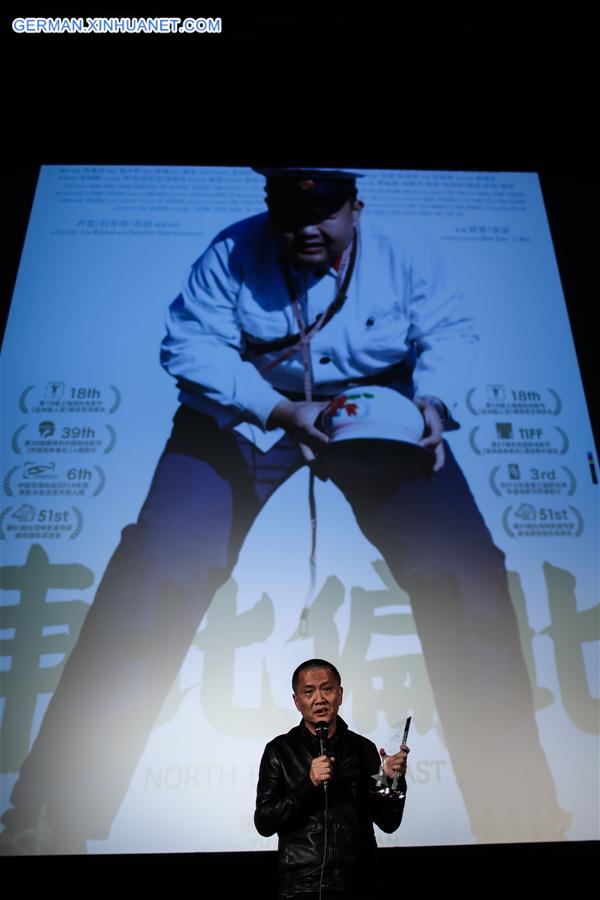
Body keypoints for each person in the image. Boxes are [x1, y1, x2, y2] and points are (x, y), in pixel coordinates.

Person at [2, 167, 566, 853]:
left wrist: (433, 405)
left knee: (466, 570)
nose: (306, 227)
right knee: (158, 563)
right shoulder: (230, 254)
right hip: (250, 413)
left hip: (376, 414)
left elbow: (448, 330)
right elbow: (189, 345)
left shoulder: (405, 254)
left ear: (356, 207)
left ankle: (522, 821)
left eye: (325, 211)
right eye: (289, 212)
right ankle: (52, 813)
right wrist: (277, 408)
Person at [254, 659, 408, 900]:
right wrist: (308, 785)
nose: (319, 699)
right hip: (302, 885)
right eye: (309, 692)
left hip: (359, 882)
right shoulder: (280, 751)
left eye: (327, 689)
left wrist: (391, 781)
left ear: (340, 694)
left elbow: (389, 822)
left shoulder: (362, 749)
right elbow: (264, 823)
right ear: (297, 701)